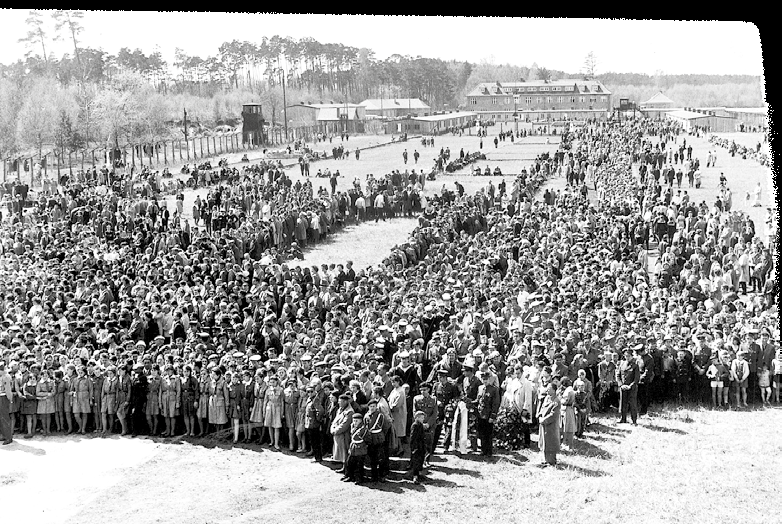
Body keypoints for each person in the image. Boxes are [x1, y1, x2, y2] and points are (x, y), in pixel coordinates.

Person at [536, 373, 560, 467]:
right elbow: (542, 408)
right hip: (543, 424)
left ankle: (552, 461)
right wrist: (540, 416)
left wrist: (544, 420)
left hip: (551, 426)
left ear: (554, 391)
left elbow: (553, 415)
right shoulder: (546, 398)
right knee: (544, 442)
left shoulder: (556, 401)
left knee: (551, 443)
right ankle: (545, 459)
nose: (547, 390)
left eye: (549, 389)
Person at [475, 370, 500, 457]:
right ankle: (483, 450)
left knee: (488, 433)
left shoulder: (494, 390)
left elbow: (495, 404)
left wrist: (492, 416)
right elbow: (478, 401)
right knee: (481, 433)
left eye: (486, 379)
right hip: (480, 414)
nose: (485, 381)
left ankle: (489, 451)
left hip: (488, 415)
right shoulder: (480, 388)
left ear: (490, 379)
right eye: (483, 379)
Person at [616, 347, 640, 425]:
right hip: (623, 387)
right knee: (623, 403)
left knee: (633, 404)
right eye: (626, 356)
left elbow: (636, 378)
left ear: (632, 356)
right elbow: (618, 375)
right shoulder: (622, 364)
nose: (627, 357)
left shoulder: (635, 365)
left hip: (631, 388)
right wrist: (621, 385)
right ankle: (623, 418)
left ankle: (634, 420)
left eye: (629, 356)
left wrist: (630, 386)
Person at [343, 412, 367, 484]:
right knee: (349, 462)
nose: (355, 422)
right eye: (354, 420)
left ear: (361, 421)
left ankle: (359, 479)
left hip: (360, 448)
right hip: (353, 447)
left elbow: (367, 439)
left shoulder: (363, 429)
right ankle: (350, 476)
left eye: (357, 421)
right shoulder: (352, 427)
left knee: (359, 465)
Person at [409, 410, 427, 484]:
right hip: (416, 447)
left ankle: (418, 474)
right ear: (417, 418)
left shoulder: (420, 425)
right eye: (421, 418)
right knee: (416, 462)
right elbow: (412, 437)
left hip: (421, 446)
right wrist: (414, 447)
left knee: (420, 460)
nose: (423, 419)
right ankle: (415, 477)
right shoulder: (415, 425)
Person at [0, 362, 14, 445]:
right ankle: (3, 435)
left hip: (3, 397)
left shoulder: (6, 377)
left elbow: (8, 390)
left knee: (4, 418)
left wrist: (10, 399)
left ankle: (8, 437)